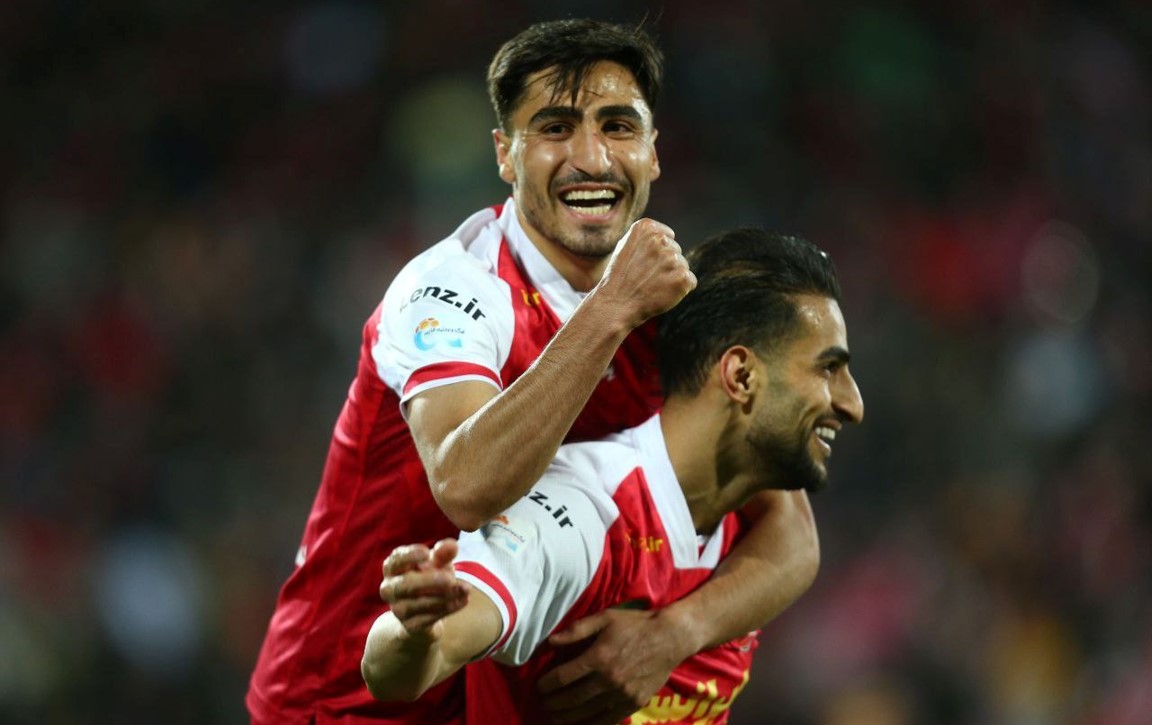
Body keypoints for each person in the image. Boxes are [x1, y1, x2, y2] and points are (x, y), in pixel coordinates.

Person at [248, 19, 820, 725]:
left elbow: (792, 535)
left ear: (652, 153)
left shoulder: (670, 303)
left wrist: (674, 633)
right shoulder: (450, 291)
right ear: (505, 154)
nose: (592, 157)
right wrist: (611, 310)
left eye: (618, 127)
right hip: (348, 701)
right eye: (555, 128)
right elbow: (467, 487)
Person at [362, 228, 865, 724]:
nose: (853, 405)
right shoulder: (582, 514)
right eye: (828, 369)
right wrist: (416, 632)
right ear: (741, 376)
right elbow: (399, 669)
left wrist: (675, 632)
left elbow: (799, 542)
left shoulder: (748, 514)